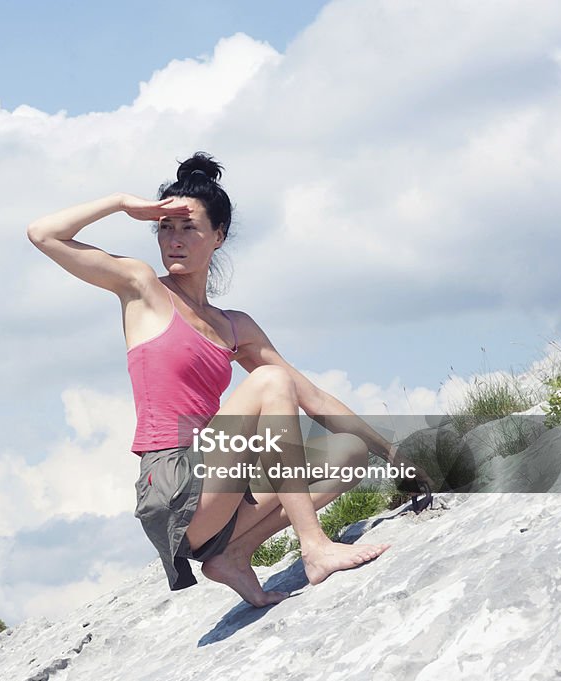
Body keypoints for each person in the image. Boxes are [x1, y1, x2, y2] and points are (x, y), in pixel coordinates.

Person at [27, 152, 428, 606]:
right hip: (172, 483)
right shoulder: (143, 287)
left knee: (351, 454)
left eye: (188, 228)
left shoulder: (236, 327)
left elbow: (313, 398)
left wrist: (393, 455)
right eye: (165, 227)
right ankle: (314, 547)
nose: (174, 240)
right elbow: (42, 234)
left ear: (218, 236)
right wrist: (121, 203)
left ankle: (234, 555)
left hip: (221, 491)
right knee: (271, 382)